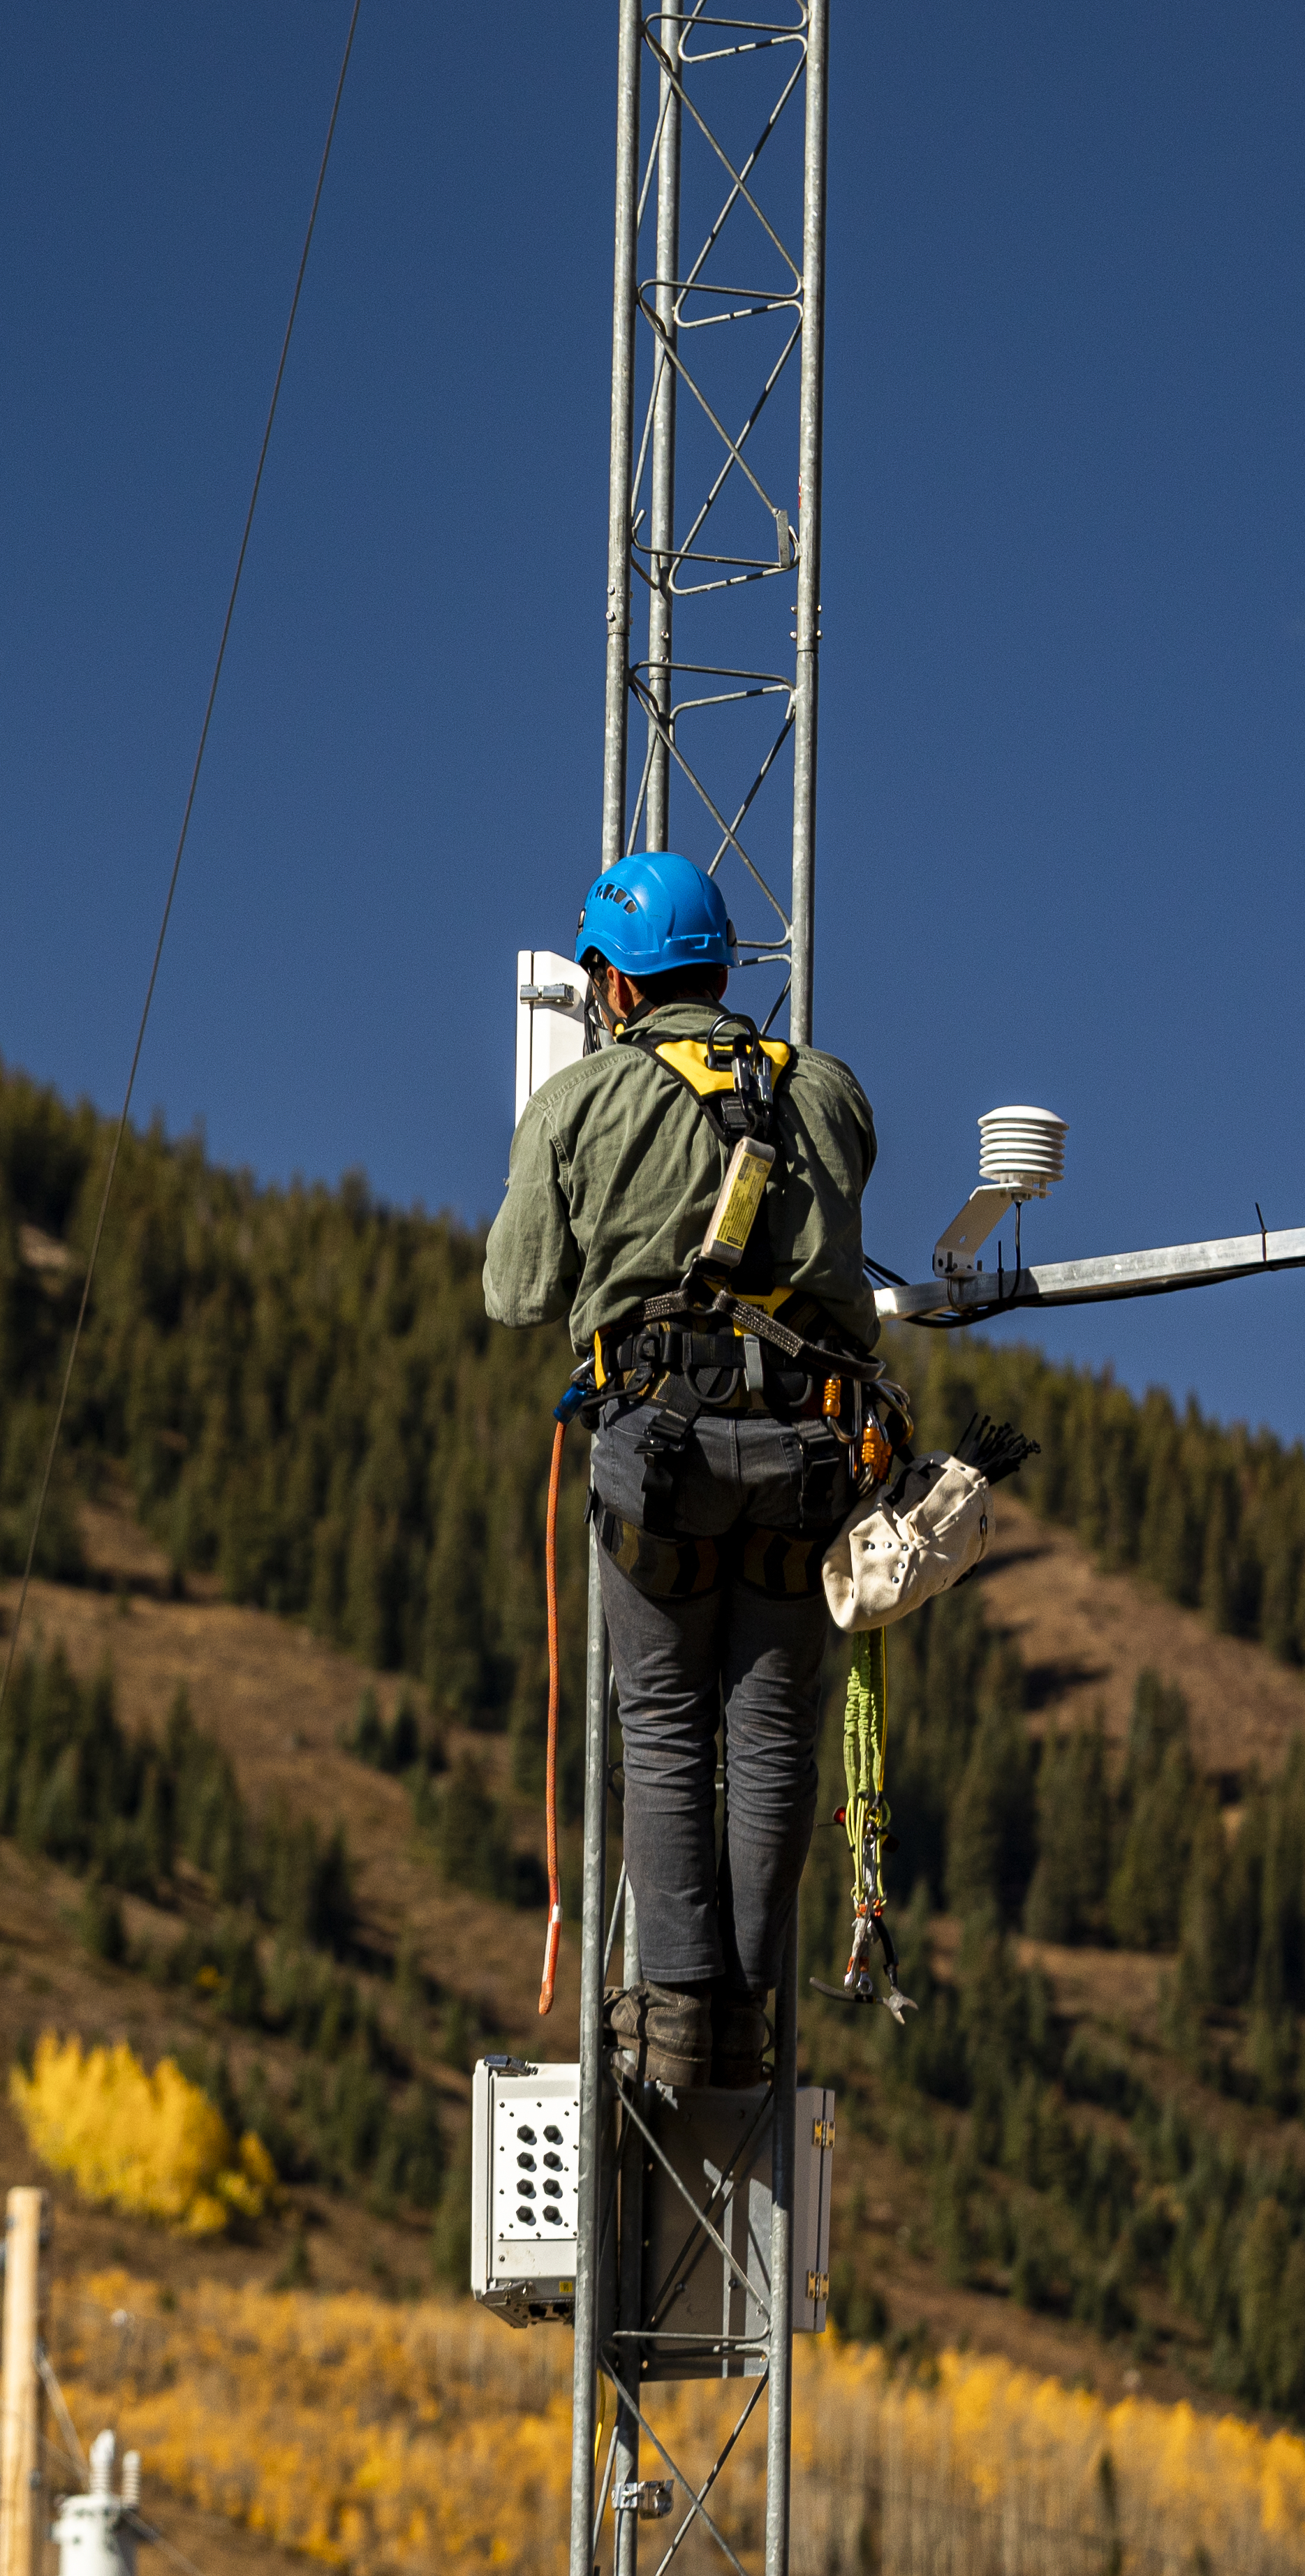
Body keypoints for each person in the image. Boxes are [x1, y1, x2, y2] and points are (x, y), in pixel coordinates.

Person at [482, 850, 881, 2096]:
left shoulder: (584, 1103)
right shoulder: (824, 1091)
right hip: (809, 1455)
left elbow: (515, 1292)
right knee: (768, 1734)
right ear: (720, 965)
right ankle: (747, 2017)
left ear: (613, 986)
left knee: (664, 1729)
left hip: (659, 1450)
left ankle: (676, 2021)